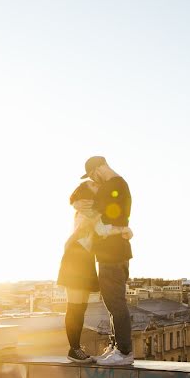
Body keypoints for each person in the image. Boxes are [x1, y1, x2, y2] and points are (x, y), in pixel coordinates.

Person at [57, 180, 132, 363]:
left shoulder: (87, 206)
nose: (97, 185)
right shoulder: (87, 207)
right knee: (75, 307)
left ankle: (75, 348)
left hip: (84, 259)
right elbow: (101, 229)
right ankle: (73, 350)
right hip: (77, 259)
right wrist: (124, 229)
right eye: (92, 184)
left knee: (79, 307)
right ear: (85, 191)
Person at [83, 156, 134, 366]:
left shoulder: (110, 188)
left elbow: (97, 223)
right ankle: (117, 348)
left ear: (98, 169)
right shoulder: (123, 185)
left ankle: (123, 351)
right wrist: (123, 229)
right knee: (114, 303)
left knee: (115, 303)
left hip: (110, 254)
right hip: (118, 252)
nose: (94, 180)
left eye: (93, 175)